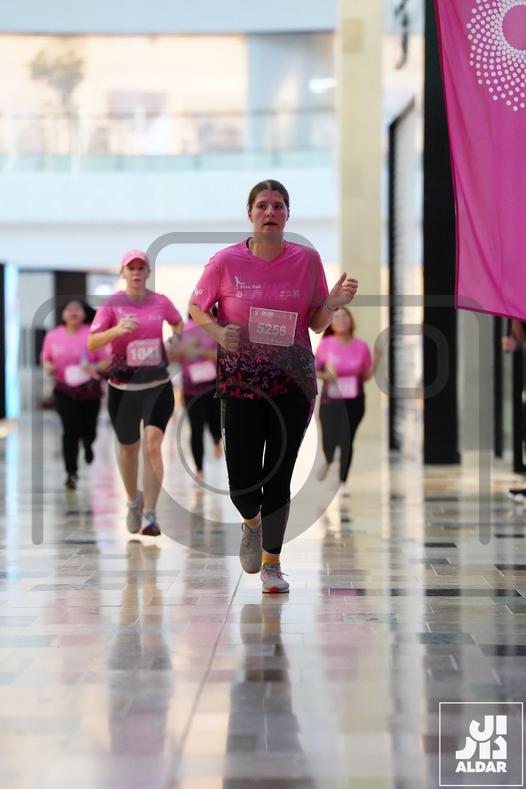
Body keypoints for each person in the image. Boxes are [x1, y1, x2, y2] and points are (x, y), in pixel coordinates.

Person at [188, 179, 358, 593]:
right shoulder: (225, 262)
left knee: (279, 476)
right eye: (262, 205)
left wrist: (332, 303)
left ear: (287, 214)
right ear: (250, 214)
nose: (270, 212)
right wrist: (217, 331)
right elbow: (195, 307)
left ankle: (272, 565)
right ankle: (251, 522)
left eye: (278, 205)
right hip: (240, 386)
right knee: (243, 485)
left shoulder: (307, 260)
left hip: (293, 386)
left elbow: (316, 323)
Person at [88, 250, 183, 536]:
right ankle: (133, 501)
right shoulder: (112, 305)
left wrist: (175, 338)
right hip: (123, 388)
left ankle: (151, 514)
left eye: (142, 268)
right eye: (131, 268)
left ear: (148, 273)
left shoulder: (161, 301)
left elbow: (178, 322)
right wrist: (116, 331)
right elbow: (92, 342)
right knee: (128, 450)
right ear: (123, 273)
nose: (137, 272)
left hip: (157, 385)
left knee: (153, 445)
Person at [41, 299, 109, 490]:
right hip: (64, 391)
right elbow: (45, 358)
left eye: (77, 309)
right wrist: (48, 366)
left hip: (90, 390)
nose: (73, 312)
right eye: (69, 309)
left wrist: (94, 367)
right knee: (70, 430)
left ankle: (88, 443)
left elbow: (106, 361)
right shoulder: (53, 336)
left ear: (84, 314)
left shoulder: (93, 335)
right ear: (63, 314)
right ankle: (71, 472)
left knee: (89, 429)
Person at [315, 306, 380, 491]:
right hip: (330, 401)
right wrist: (327, 376)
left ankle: (343, 481)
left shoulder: (361, 346)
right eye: (337, 317)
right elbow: (314, 370)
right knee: (329, 439)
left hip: (354, 401)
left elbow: (366, 376)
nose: (342, 320)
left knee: (346, 439)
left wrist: (377, 360)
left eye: (345, 317)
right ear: (331, 323)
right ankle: (329, 460)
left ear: (351, 321)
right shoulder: (326, 344)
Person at [176, 311, 222, 481]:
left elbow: (222, 354)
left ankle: (216, 440)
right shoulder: (184, 329)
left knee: (213, 423)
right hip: (192, 389)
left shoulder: (215, 326)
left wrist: (199, 351)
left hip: (212, 387)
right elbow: (176, 356)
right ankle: (199, 468)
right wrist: (187, 349)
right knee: (197, 429)